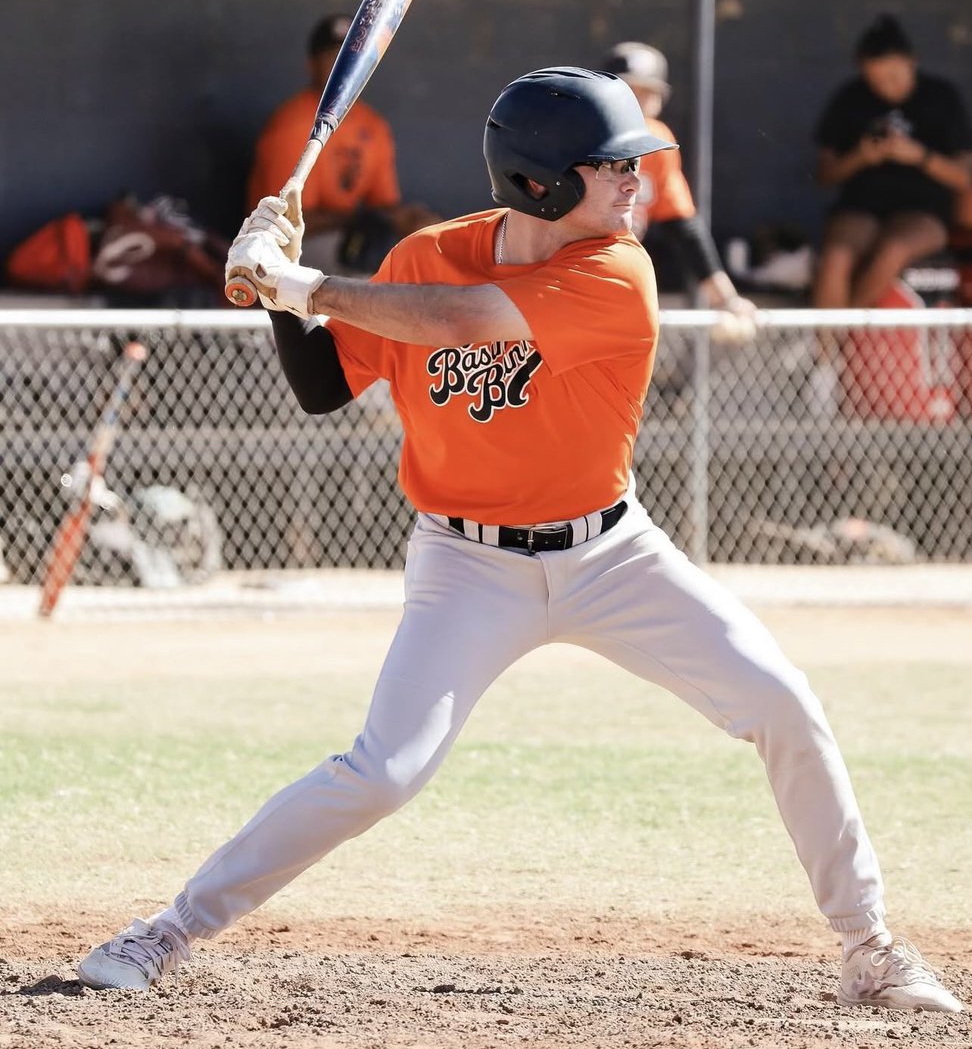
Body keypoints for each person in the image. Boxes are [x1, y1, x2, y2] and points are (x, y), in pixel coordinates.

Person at [78, 67, 961, 1014]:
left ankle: (869, 948)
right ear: (542, 184)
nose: (639, 186)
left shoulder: (619, 269)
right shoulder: (425, 256)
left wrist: (303, 281)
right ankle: (167, 930)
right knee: (382, 773)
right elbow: (326, 385)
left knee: (784, 703)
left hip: (614, 556)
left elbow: (469, 321)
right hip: (467, 565)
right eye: (615, 169)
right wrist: (283, 296)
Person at [246, 12, 438, 275]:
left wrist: (410, 220)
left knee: (423, 246)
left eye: (353, 58)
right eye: (333, 58)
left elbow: (383, 205)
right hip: (282, 250)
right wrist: (368, 220)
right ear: (312, 65)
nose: (345, 66)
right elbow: (288, 224)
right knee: (370, 266)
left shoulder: (373, 125)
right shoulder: (293, 124)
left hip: (346, 235)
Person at [812, 14, 972, 310]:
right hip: (861, 208)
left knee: (893, 250)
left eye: (894, 77)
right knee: (836, 256)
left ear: (913, 61)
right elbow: (824, 176)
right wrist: (860, 157)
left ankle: (848, 336)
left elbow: (964, 178)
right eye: (876, 80)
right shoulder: (851, 98)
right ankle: (826, 354)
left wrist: (918, 156)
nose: (886, 88)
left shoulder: (942, 98)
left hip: (924, 212)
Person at [601, 41, 756, 339]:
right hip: (567, 271)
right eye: (628, 90)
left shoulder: (657, 142)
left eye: (646, 92)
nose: (637, 101)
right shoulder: (580, 138)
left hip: (618, 273)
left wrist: (726, 299)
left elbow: (682, 226)